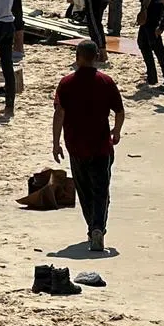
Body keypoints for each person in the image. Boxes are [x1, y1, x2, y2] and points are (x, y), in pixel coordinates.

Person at [52, 40, 125, 252]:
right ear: (96, 57)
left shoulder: (66, 83)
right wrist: (117, 130)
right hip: (101, 146)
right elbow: (119, 111)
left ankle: (91, 227)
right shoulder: (106, 81)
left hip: (76, 146)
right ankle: (98, 228)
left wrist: (56, 143)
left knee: (84, 191)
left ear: (77, 57)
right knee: (102, 190)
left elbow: (59, 114)